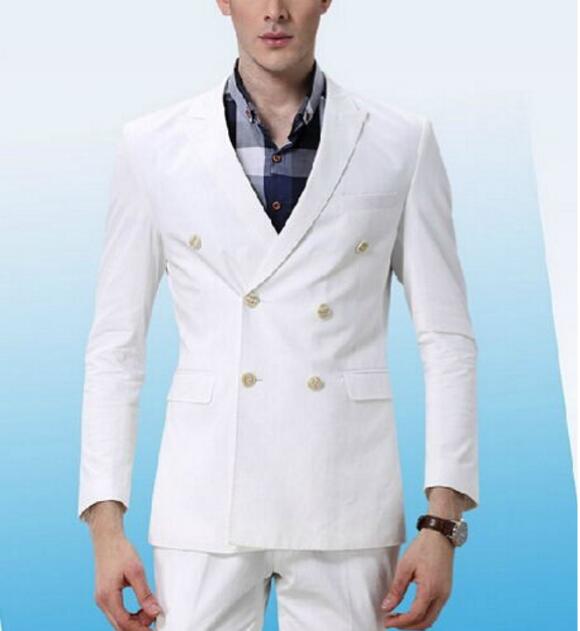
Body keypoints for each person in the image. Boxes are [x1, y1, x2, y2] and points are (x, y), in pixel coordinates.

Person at [77, 1, 479, 629]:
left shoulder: (401, 141)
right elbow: (115, 347)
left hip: (346, 498)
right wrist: (106, 523)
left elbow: (447, 340)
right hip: (204, 501)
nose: (275, 11)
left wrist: (442, 522)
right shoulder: (152, 146)